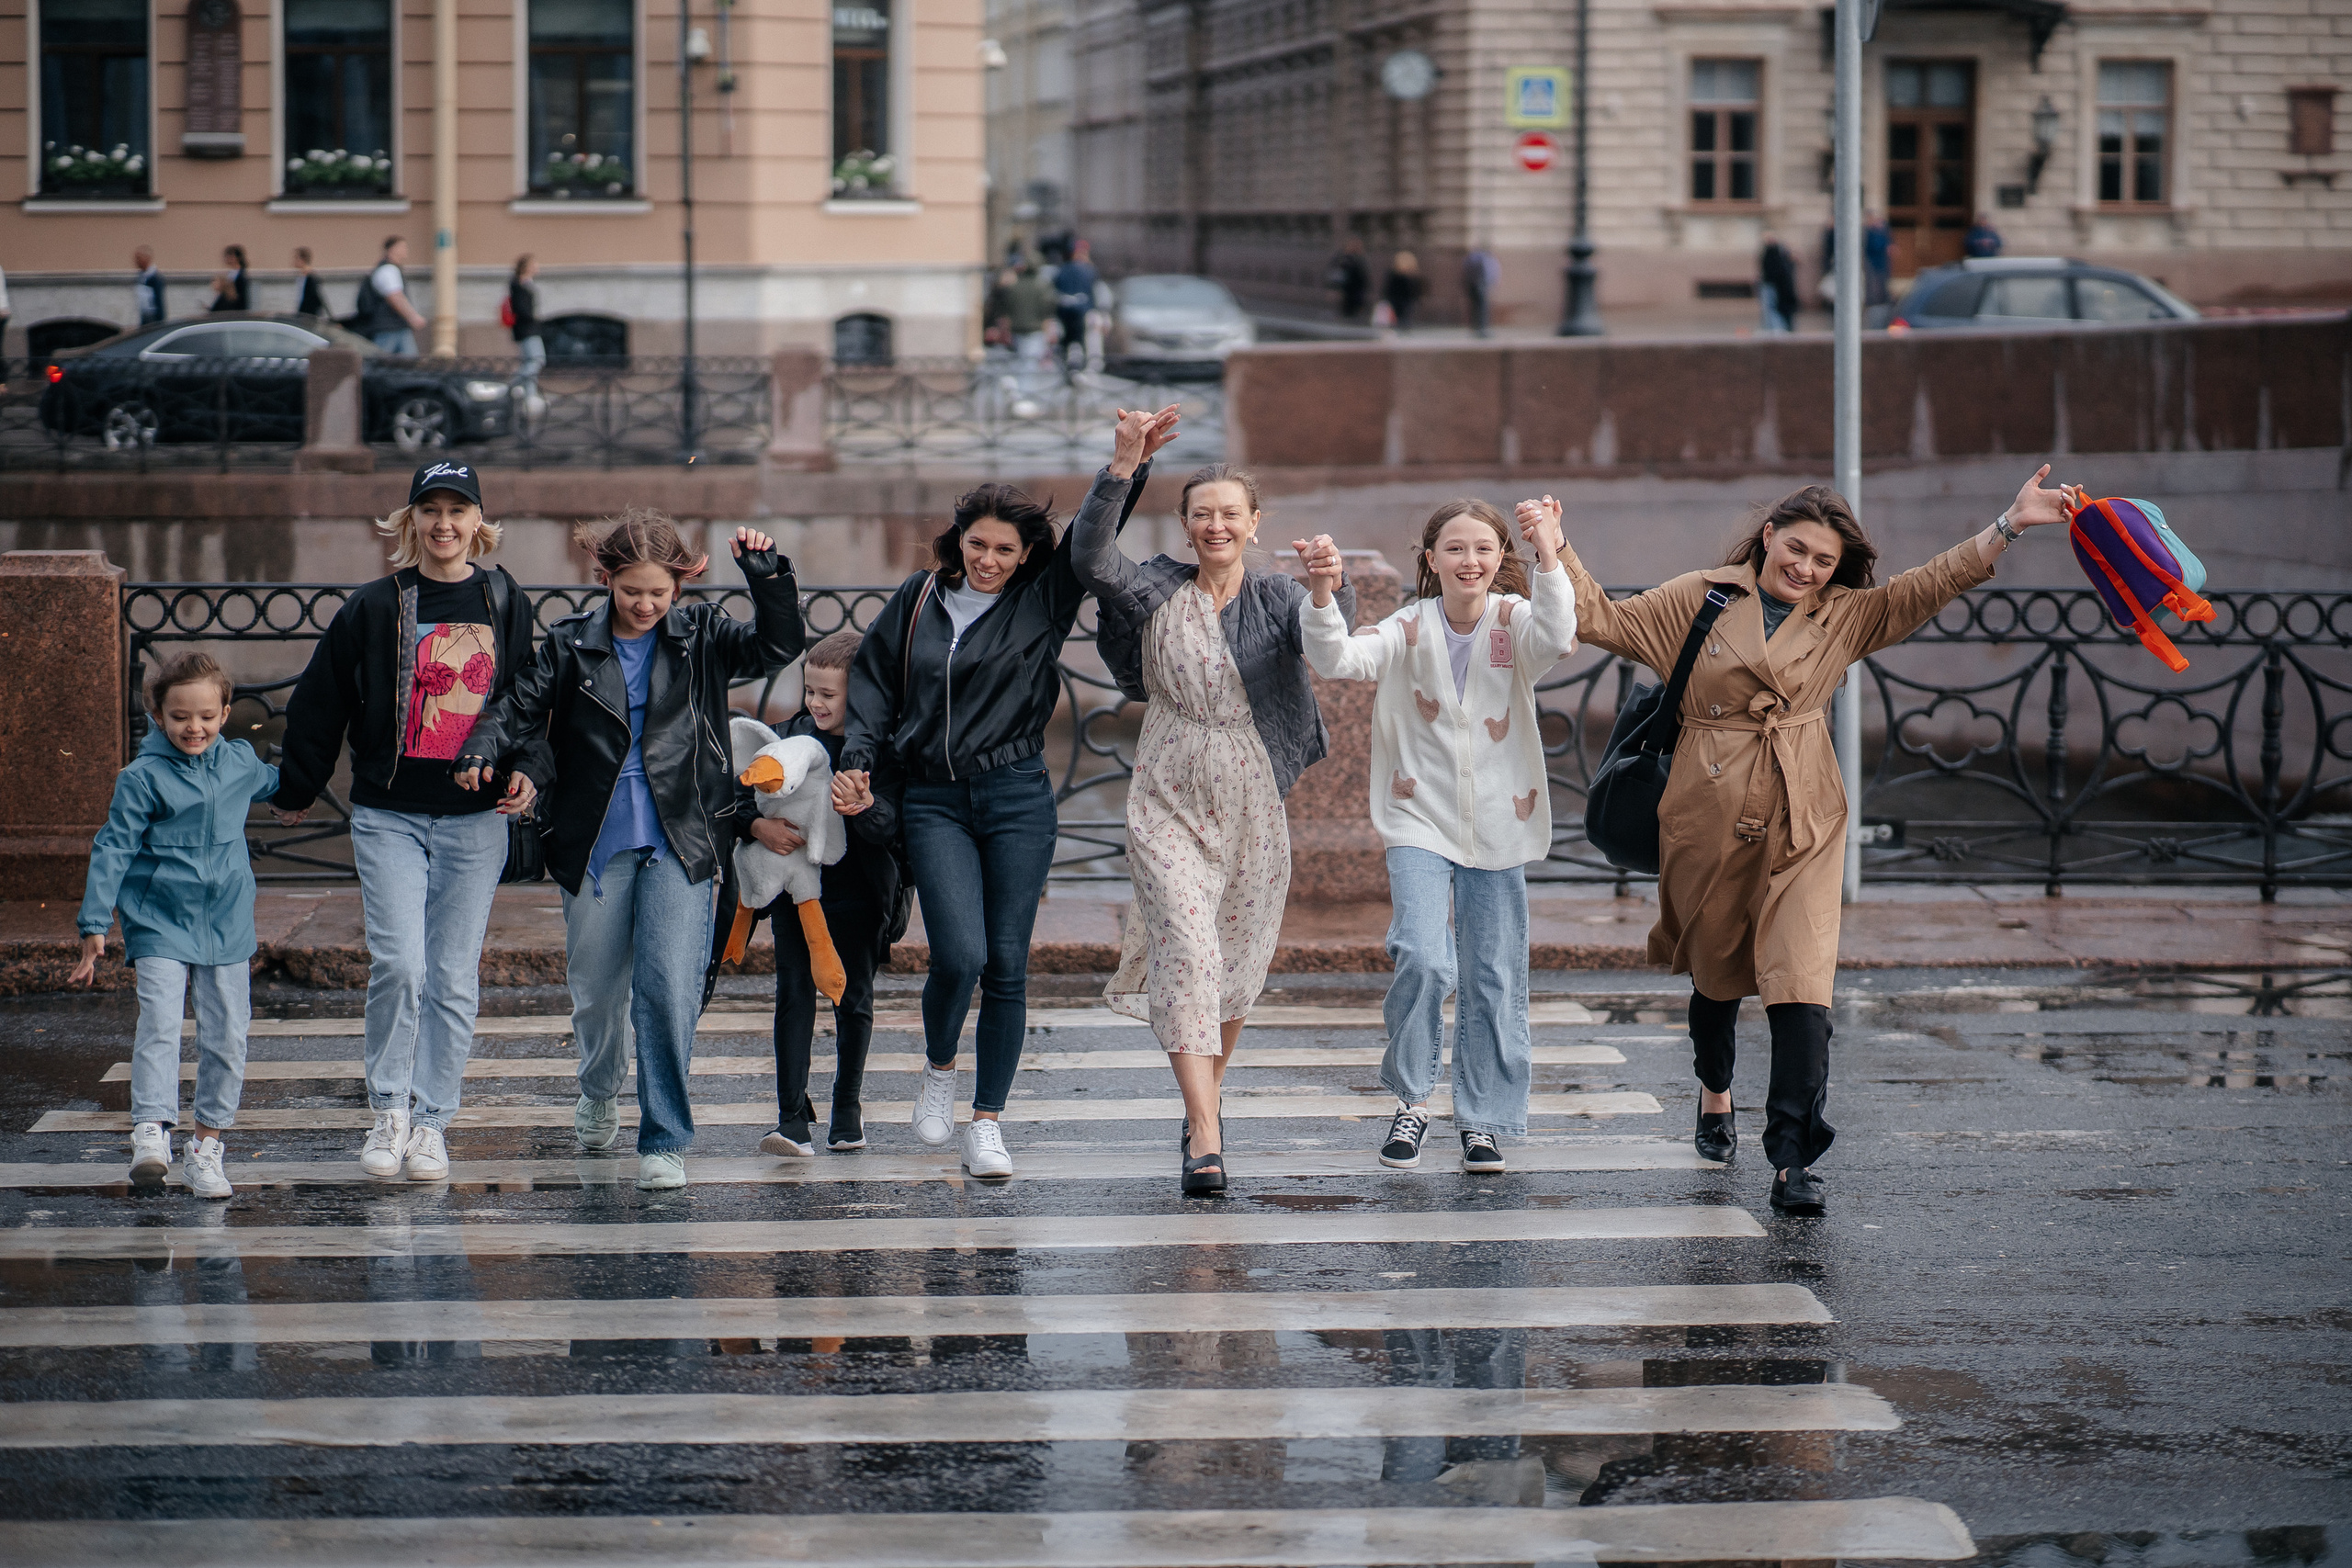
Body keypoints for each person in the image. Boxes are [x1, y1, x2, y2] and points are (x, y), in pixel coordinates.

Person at [1518, 465, 2080, 1214]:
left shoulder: (1844, 613)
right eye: (1799, 549)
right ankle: (1715, 1090)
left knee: (1803, 986)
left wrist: (2008, 524)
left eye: (1824, 560)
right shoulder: (1704, 596)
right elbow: (1602, 620)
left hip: (1803, 815)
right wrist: (1555, 549)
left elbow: (1926, 586)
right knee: (1717, 979)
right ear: (1771, 534)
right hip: (1709, 817)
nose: (1807, 569)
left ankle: (1792, 1159)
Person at [460, 513, 801, 1190]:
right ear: (606, 580)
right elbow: (517, 706)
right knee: (595, 990)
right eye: (631, 592)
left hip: (681, 838)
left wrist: (768, 579)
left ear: (680, 586)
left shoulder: (702, 635)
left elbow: (775, 647)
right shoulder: (568, 646)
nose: (645, 605)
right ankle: (597, 1087)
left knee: (667, 989)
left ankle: (665, 1137)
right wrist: (482, 745)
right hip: (593, 840)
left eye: (659, 593)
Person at [834, 467, 1154, 1179]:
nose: (988, 560)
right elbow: (876, 685)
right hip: (933, 799)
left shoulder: (1043, 600)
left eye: (1005, 551)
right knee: (959, 956)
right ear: (959, 540)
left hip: (1016, 797)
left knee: (1008, 963)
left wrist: (1127, 466)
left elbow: (1095, 534)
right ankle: (939, 1066)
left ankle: (987, 1124)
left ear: (1024, 557)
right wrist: (856, 758)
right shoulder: (919, 597)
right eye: (978, 544)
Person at [1073, 413, 1357, 1195]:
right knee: (1190, 953)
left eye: (1231, 512)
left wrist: (1329, 585)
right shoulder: (1155, 587)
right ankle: (1205, 1130)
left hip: (1253, 792)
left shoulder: (1276, 594)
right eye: (1203, 512)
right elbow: (1090, 557)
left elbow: (1334, 644)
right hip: (1168, 781)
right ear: (1186, 522)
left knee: (1234, 963)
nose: (1216, 523)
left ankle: (1207, 1097)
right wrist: (1124, 464)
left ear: (1254, 523)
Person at [272, 461, 541, 1181]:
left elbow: (528, 698)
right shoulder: (375, 605)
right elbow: (321, 698)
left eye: (458, 510)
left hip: (475, 818)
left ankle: (431, 1121)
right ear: (409, 521)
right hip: (389, 813)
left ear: (478, 523)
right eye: (431, 509)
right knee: (400, 964)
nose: (445, 523)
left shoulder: (504, 598)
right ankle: (388, 1108)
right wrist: (298, 782)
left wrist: (528, 770)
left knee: (452, 976)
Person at [1301, 501, 1577, 1174]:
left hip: (1499, 822)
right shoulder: (1407, 626)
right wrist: (1320, 591)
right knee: (1424, 957)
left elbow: (1558, 632)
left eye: (1483, 548)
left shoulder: (1514, 620)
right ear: (1431, 559)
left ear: (1498, 558)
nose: (1470, 561)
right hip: (1418, 818)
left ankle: (1482, 1120)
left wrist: (1549, 552)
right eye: (1455, 548)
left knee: (1492, 973)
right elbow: (1338, 660)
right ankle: (1414, 1099)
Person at [72, 653, 282, 1200]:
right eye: (181, 717)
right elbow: (113, 846)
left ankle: (207, 1147)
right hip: (159, 917)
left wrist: (295, 800)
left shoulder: (239, 762)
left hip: (228, 921)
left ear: (226, 712)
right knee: (161, 1023)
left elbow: (277, 783)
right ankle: (151, 1132)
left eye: (208, 716)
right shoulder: (142, 778)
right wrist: (95, 921)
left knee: (228, 1035)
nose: (195, 728)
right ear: (158, 715)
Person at [753, 630, 900, 1157]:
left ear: (859, 696)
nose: (814, 703)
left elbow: (894, 829)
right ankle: (791, 1116)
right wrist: (755, 827)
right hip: (799, 892)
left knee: (852, 998)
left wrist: (865, 806)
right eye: (809, 690)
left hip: (860, 892)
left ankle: (847, 1111)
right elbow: (741, 790)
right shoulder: (786, 739)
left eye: (828, 695)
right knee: (793, 993)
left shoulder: (881, 747)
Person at [363, 235, 426, 355]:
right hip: (389, 326)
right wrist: (413, 317)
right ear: (392, 249)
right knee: (380, 361)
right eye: (402, 247)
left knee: (407, 361)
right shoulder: (388, 270)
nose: (405, 250)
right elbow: (395, 297)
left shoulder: (388, 269)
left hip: (396, 325)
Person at [1054, 241, 1099, 371]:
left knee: (1068, 344)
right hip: (1082, 313)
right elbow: (1096, 294)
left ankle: (1070, 369)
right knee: (1083, 345)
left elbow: (1056, 293)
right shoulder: (1088, 270)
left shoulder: (1062, 270)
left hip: (1065, 313)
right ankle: (1081, 370)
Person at [508, 254, 544, 413]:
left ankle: (530, 396)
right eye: (534, 264)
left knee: (530, 362)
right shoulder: (519, 284)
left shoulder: (525, 283)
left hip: (527, 329)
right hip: (527, 329)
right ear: (526, 267)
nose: (537, 267)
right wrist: (533, 318)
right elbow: (522, 310)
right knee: (537, 360)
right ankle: (513, 385)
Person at [1758, 233, 1798, 333]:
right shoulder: (1778, 255)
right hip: (1777, 289)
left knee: (1772, 310)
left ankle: (1776, 330)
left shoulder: (1772, 253)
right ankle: (1777, 329)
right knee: (1773, 310)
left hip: (1773, 287)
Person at [1327, 236, 1370, 321]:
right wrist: (1334, 288)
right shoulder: (1342, 258)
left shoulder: (1359, 258)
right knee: (1347, 313)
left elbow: (1363, 276)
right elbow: (1336, 273)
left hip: (1357, 291)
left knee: (1354, 313)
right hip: (1347, 291)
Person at [1460, 247, 1499, 337]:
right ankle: (1481, 328)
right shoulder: (1485, 260)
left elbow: (1466, 274)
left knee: (1476, 308)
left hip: (1473, 285)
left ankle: (1476, 328)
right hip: (1480, 285)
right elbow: (1489, 274)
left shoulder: (1471, 259)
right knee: (1481, 308)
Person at [1383, 252, 1425, 333]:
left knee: (1403, 320)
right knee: (1399, 320)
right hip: (1398, 302)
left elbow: (1416, 290)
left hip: (1405, 302)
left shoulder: (1411, 275)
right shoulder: (1395, 275)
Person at [208, 245, 250, 312]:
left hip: (235, 310)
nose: (227, 258)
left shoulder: (241, 275)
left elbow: (236, 295)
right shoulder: (230, 273)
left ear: (237, 258)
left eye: (230, 256)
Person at [1862, 212, 1892, 308]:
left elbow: (1888, 241)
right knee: (1871, 282)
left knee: (1882, 281)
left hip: (1881, 261)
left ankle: (1883, 299)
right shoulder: (1869, 231)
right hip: (1872, 261)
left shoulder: (1882, 231)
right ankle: (1872, 301)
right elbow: (1873, 246)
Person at [292, 247, 330, 321]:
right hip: (302, 314)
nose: (294, 261)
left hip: (308, 316)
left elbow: (315, 299)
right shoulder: (301, 276)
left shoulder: (311, 278)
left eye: (296, 258)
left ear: (303, 259)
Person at [132, 246, 166, 325]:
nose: (136, 261)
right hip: (144, 315)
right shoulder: (141, 277)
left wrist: (160, 322)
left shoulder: (155, 278)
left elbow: (159, 301)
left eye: (139, 258)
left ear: (146, 258)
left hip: (153, 317)